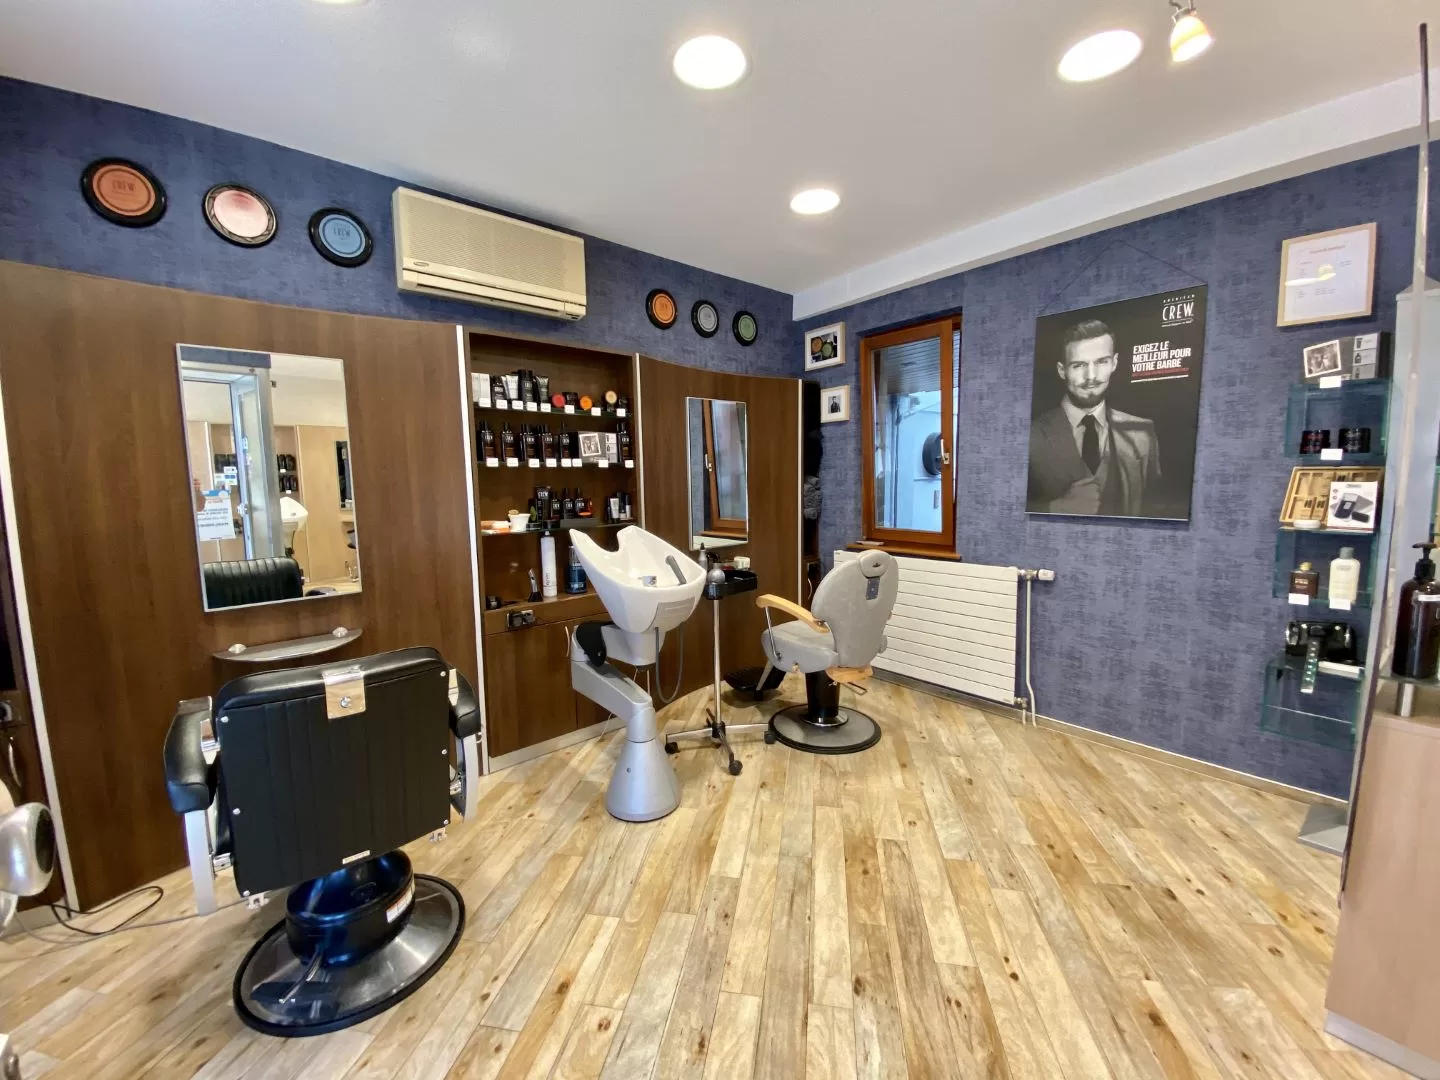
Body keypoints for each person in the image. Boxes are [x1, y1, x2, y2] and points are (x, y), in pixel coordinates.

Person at [1027, 318, 1161, 517]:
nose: (1091, 376)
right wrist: (1055, 508)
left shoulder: (1142, 433)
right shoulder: (1031, 434)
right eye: (1079, 365)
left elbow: (1156, 506)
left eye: (1101, 362)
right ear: (1062, 370)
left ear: (1114, 363)